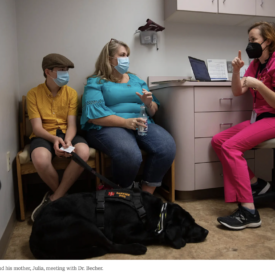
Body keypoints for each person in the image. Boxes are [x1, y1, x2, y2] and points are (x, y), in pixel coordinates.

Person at [81, 39, 176, 194]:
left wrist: (148, 103)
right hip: (108, 126)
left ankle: (146, 194)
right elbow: (94, 116)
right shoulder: (96, 82)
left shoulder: (136, 80)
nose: (126, 59)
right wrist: (125, 122)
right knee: (129, 154)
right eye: (122, 55)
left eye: (127, 55)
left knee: (166, 146)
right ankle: (123, 192)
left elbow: (153, 111)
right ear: (109, 59)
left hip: (141, 122)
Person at [211, 22, 275, 230]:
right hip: (260, 117)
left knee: (231, 147)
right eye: (248, 40)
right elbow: (238, 91)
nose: (250, 45)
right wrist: (237, 72)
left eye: (254, 40)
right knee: (219, 141)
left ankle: (249, 211)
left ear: (268, 41)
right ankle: (256, 184)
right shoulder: (255, 64)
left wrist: (259, 85)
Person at [27, 53, 90, 222]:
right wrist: (55, 140)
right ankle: (67, 199)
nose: (66, 74)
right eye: (61, 70)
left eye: (67, 70)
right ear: (48, 72)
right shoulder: (33, 94)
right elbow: (37, 128)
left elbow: (72, 125)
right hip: (44, 134)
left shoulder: (71, 93)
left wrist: (67, 141)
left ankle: (55, 198)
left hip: (67, 133)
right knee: (40, 158)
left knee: (83, 152)